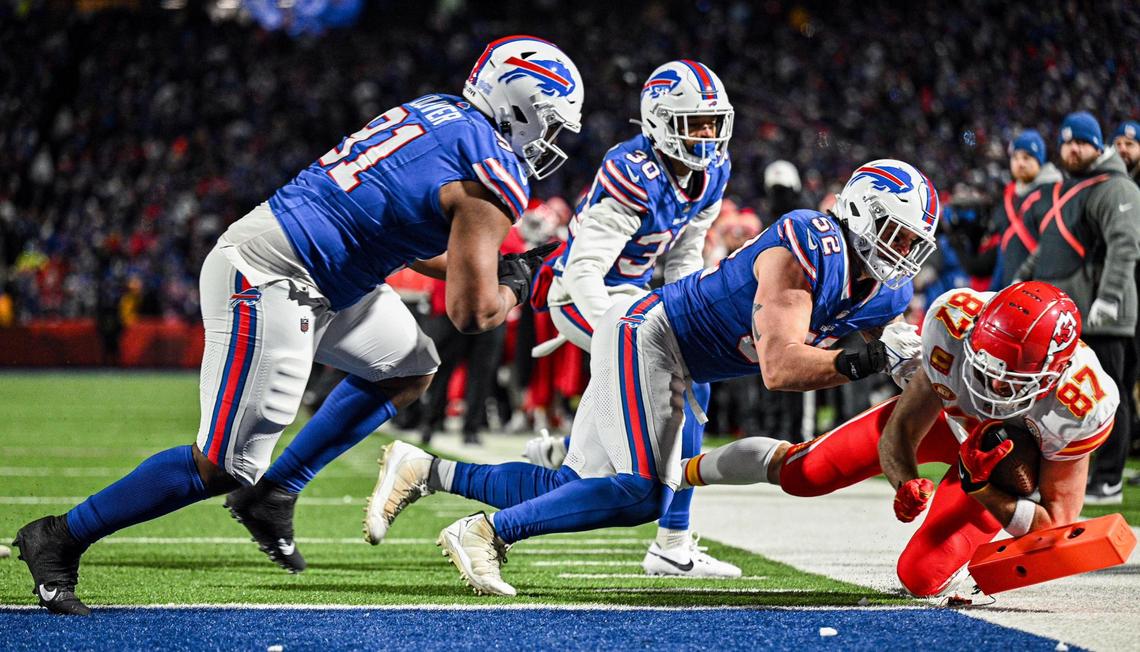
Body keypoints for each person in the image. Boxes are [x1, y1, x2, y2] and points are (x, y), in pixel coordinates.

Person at [11, 35, 583, 615]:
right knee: (223, 465)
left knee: (408, 368)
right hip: (272, 276)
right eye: (552, 123)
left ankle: (276, 492)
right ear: (522, 104)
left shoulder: (436, 114)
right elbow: (473, 312)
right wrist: (519, 280)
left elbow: (398, 234)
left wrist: (495, 271)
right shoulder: (491, 166)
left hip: (322, 272)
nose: (552, 140)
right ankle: (58, 537)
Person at [362, 159, 939, 596]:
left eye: (916, 242)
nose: (906, 252)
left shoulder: (886, 286)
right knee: (642, 493)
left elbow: (892, 358)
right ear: (860, 213)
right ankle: (486, 533)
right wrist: (868, 361)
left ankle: (427, 470)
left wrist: (917, 362)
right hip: (652, 335)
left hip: (687, 359)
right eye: (898, 233)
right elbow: (782, 366)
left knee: (571, 485)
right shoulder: (809, 242)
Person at [681, 282, 1117, 598]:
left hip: (997, 470)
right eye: (985, 367)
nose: (992, 385)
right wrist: (904, 479)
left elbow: (1056, 529)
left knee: (920, 577)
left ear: (1052, 374)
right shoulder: (953, 323)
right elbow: (903, 431)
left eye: (1009, 380)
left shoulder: (1080, 403)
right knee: (804, 473)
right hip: (949, 420)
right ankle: (678, 472)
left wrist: (983, 487)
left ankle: (969, 555)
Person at [522, 60, 739, 578]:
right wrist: (623, 343)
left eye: (714, 123)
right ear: (661, 121)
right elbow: (585, 269)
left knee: (584, 470)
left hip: (631, 293)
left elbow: (685, 257)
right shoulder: (633, 169)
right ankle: (672, 541)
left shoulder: (712, 173)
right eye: (696, 124)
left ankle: (556, 455)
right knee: (689, 378)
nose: (708, 136)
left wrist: (694, 310)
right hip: (578, 292)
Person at [1015, 112, 1140, 504]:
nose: (1073, 148)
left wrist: (1109, 297)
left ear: (1097, 145)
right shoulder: (1072, 189)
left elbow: (1125, 246)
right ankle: (1075, 477)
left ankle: (1109, 480)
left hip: (1103, 315)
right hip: (1069, 315)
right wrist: (1017, 286)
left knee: (1110, 395)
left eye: (1081, 142)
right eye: (1067, 142)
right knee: (1062, 399)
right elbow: (1048, 250)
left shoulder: (1116, 188)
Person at [988, 129, 1061, 289]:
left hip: (1043, 289)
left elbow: (1054, 246)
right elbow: (1004, 252)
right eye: (1015, 157)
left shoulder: (1054, 193)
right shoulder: (1008, 197)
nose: (1020, 163)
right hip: (1010, 288)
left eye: (1027, 157)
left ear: (1039, 160)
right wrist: (993, 292)